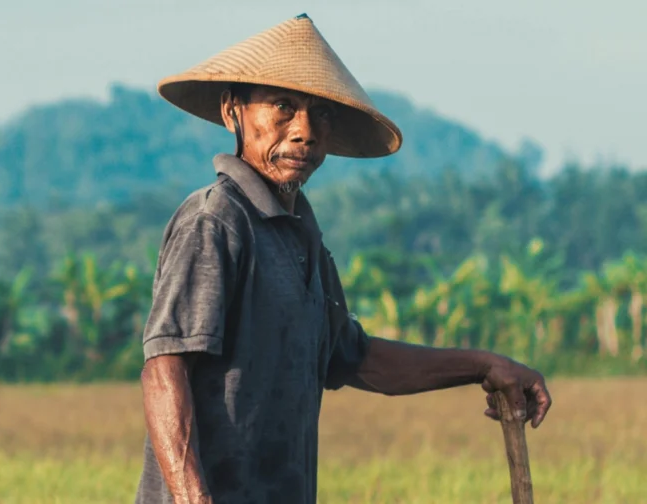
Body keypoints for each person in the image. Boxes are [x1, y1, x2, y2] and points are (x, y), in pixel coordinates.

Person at [134, 13, 552, 504]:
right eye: (284, 107)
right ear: (233, 111)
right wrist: (191, 498)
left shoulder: (303, 238)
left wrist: (485, 365)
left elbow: (361, 360)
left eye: (321, 114)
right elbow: (165, 369)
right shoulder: (217, 221)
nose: (304, 131)